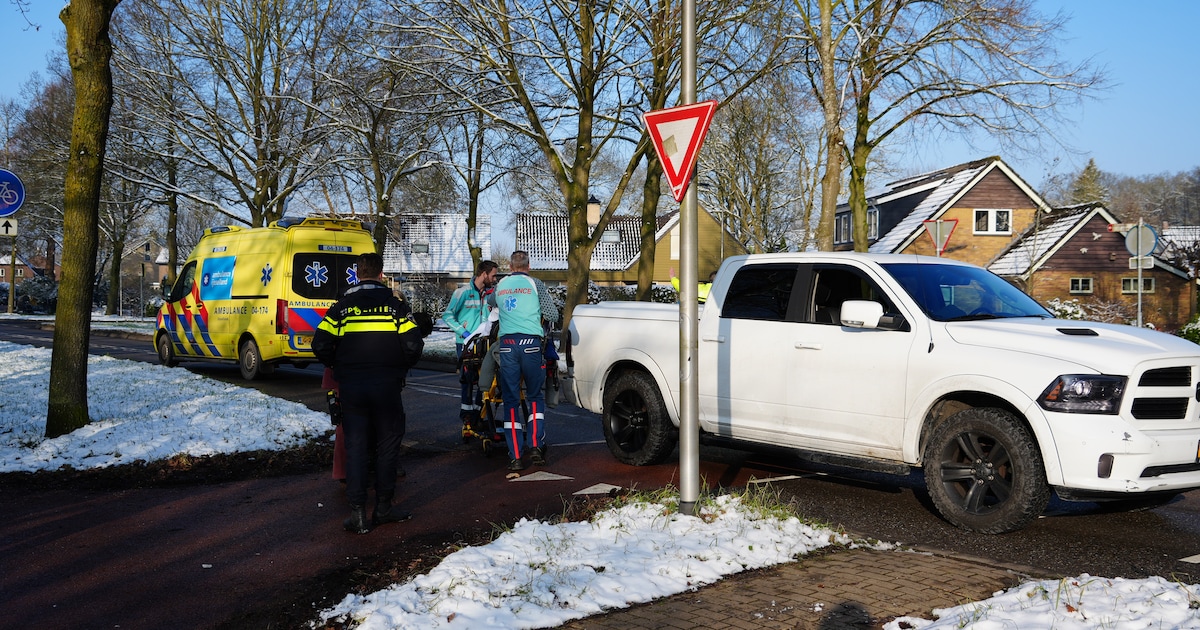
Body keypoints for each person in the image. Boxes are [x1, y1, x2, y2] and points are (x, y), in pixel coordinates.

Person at [312, 252, 424, 534]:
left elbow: (320, 344)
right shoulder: (395, 307)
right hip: (387, 386)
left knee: (357, 447)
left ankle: (359, 515)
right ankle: (384, 508)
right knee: (387, 447)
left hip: (352, 388)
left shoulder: (341, 308)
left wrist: (338, 366)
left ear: (358, 274)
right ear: (381, 274)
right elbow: (414, 344)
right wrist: (399, 367)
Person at [493, 250, 559, 472]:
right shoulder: (536, 283)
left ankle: (515, 457)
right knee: (534, 397)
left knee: (511, 400)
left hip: (508, 345)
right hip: (531, 344)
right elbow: (552, 315)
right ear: (528, 266)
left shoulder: (501, 284)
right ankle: (536, 447)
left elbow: (491, 302)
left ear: (510, 267)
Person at [442, 260, 500, 426]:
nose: (495, 279)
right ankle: (466, 414)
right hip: (466, 343)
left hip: (485, 343)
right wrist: (464, 333)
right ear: (484, 274)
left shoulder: (492, 295)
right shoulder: (463, 292)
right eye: (493, 275)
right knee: (467, 379)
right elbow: (447, 316)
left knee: (486, 379)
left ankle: (478, 414)